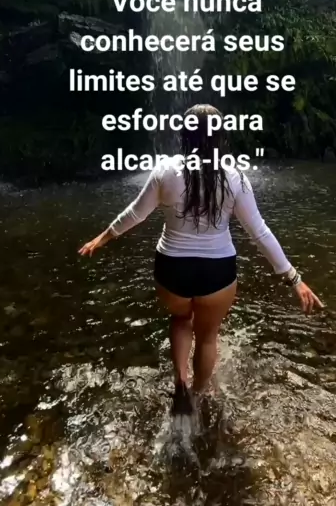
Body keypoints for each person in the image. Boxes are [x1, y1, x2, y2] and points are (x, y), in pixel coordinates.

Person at [79, 104, 323, 415]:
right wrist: (294, 278)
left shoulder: (166, 171)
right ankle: (198, 397)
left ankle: (180, 382)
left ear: (184, 135)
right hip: (216, 271)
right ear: (220, 137)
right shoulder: (234, 177)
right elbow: (259, 232)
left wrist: (102, 238)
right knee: (207, 337)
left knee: (181, 320)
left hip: (172, 268)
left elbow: (135, 214)